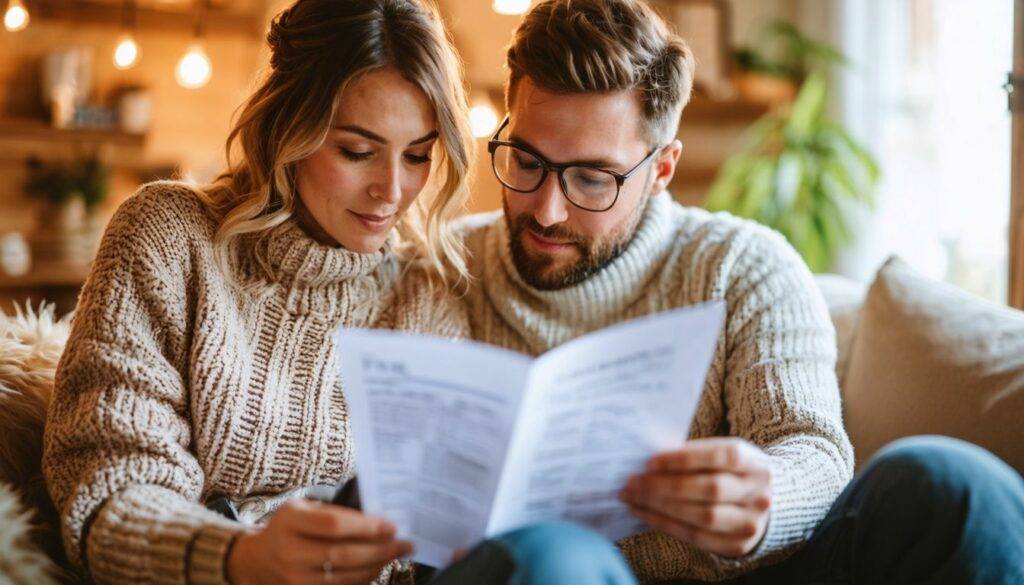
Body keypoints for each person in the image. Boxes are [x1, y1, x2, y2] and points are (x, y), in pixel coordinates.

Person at [41, 1, 637, 584]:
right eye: (356, 151)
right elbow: (109, 492)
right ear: (286, 128)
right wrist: (239, 559)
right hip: (223, 569)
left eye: (418, 156)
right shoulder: (171, 239)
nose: (391, 190)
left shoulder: (424, 291)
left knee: (558, 554)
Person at [456, 0, 1024, 583]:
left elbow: (810, 447)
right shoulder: (447, 265)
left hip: (740, 574)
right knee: (551, 556)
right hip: (542, 571)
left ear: (661, 171)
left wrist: (762, 502)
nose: (546, 211)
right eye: (526, 162)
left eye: (592, 179)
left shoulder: (743, 266)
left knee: (949, 486)